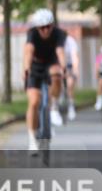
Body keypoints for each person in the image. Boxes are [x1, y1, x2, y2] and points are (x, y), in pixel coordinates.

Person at [22, 9, 68, 152]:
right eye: (42, 27)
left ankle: (53, 106)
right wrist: (26, 69)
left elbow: (60, 51)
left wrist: (64, 67)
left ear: (53, 25)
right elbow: (28, 51)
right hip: (35, 66)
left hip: (51, 63)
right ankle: (32, 138)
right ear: (37, 27)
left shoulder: (59, 33)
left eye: (49, 26)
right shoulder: (32, 34)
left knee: (56, 72)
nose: (46, 30)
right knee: (34, 102)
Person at [63, 33, 80, 121]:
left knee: (70, 84)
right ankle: (53, 106)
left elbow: (75, 57)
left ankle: (71, 106)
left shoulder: (70, 41)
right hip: (57, 64)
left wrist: (75, 70)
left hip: (69, 65)